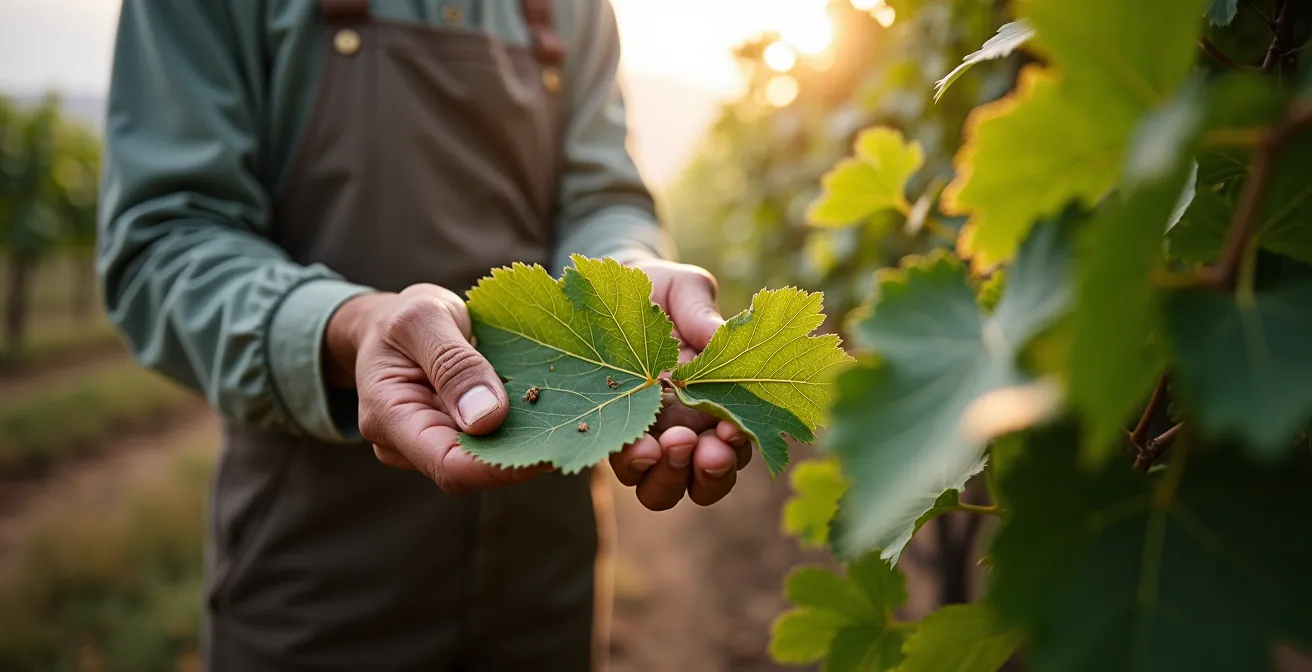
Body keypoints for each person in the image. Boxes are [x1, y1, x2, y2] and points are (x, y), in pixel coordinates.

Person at [97, 0, 750, 669]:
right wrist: (349, 326)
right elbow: (165, 241)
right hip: (318, 571)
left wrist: (626, 285)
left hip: (549, 554)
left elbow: (602, 197)